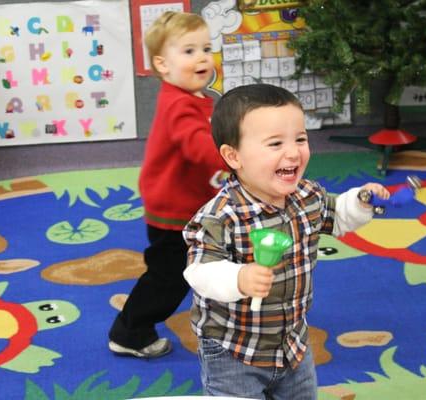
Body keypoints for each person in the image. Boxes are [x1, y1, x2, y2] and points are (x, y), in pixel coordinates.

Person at [182, 83, 390, 399]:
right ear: (233, 155)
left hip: (292, 343)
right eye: (275, 143)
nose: (293, 152)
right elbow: (199, 270)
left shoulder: (307, 196)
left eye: (301, 139)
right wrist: (238, 277)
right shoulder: (221, 215)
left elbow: (338, 215)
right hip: (234, 350)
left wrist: (360, 203)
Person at [108, 11, 226, 358]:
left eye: (206, 48)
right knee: (169, 277)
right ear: (163, 64)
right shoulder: (178, 105)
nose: (202, 57)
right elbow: (197, 145)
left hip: (195, 205)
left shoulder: (194, 100)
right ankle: (129, 331)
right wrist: (231, 157)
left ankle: (225, 315)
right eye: (189, 51)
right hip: (173, 212)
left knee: (212, 261)